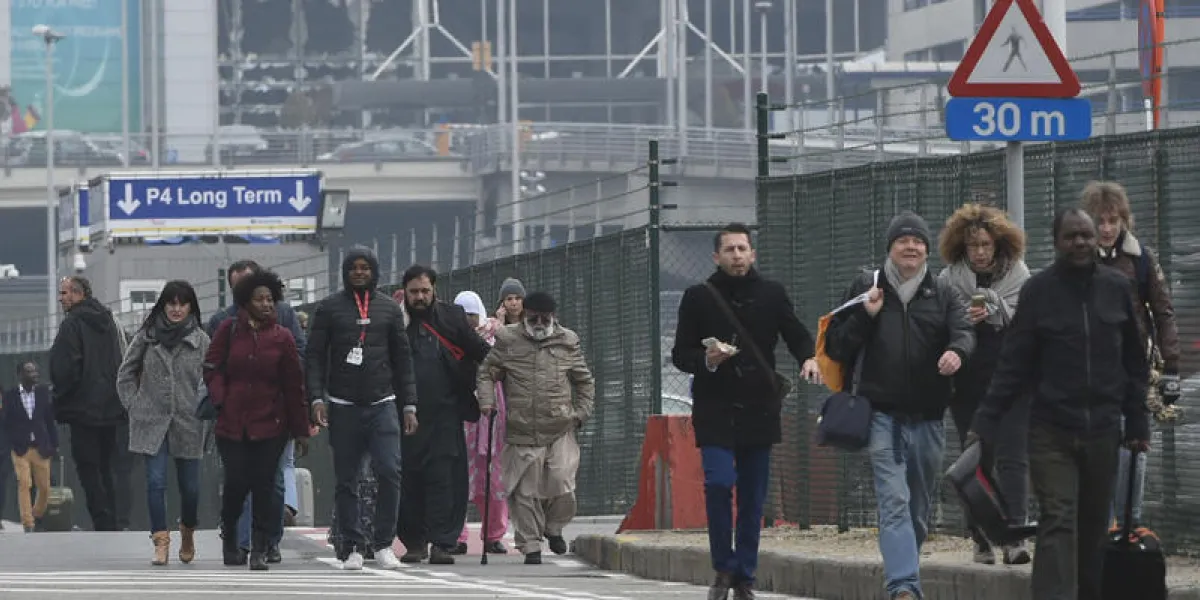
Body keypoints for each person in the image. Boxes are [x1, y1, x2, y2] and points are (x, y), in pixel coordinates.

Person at [970, 207, 1151, 600]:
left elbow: (1135, 362)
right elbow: (1013, 363)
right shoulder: (1039, 292)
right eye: (1072, 236)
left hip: (1104, 428)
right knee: (1058, 519)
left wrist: (1138, 423)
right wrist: (986, 420)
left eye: (1086, 235)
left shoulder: (1116, 288)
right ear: (1056, 242)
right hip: (1051, 429)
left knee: (1093, 525)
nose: (1081, 242)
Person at [824, 211, 975, 600]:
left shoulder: (943, 293)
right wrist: (866, 317)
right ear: (890, 247)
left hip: (928, 418)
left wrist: (957, 352)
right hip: (881, 416)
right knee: (894, 501)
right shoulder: (866, 288)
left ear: (927, 250)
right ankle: (903, 587)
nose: (912, 247)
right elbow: (837, 345)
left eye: (919, 241)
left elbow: (964, 332)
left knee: (918, 509)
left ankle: (906, 562)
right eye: (903, 241)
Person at [670, 222, 821, 600]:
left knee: (754, 498)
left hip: (759, 407)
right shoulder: (698, 296)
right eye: (730, 249)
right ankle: (723, 566)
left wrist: (808, 358)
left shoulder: (772, 293)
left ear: (752, 254)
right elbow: (679, 353)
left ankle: (746, 576)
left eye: (742, 249)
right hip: (715, 407)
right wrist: (707, 358)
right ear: (716, 256)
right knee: (719, 483)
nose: (737, 255)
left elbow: (797, 333)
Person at [307, 246, 418, 571]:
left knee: (390, 471)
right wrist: (316, 399)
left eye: (365, 267)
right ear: (345, 272)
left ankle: (383, 543)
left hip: (383, 404)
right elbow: (313, 357)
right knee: (347, 479)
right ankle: (352, 546)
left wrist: (409, 404)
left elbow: (403, 360)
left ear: (374, 272)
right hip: (343, 406)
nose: (359, 272)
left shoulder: (388, 309)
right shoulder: (329, 309)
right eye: (353, 267)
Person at [1079, 181, 1181, 530]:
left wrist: (1171, 367)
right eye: (1100, 221)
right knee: (1095, 451)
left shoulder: (1141, 260)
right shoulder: (1078, 261)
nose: (1106, 229)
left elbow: (1163, 312)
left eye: (1113, 221)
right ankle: (1102, 524)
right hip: (1088, 370)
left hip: (1134, 369)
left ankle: (1130, 524)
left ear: (1124, 221)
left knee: (1134, 448)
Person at [936, 204, 1032, 565]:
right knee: (974, 457)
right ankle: (980, 535)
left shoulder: (1019, 276)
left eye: (986, 244)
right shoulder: (949, 280)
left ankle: (1016, 536)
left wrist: (997, 313)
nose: (979, 252)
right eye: (972, 245)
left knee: (1013, 457)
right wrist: (965, 321)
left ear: (999, 245)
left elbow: (1027, 324)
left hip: (1011, 378)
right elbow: (942, 325)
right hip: (968, 379)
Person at [204, 269, 311, 571]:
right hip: (232, 424)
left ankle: (260, 548)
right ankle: (231, 542)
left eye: (270, 299)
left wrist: (300, 430)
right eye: (259, 299)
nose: (266, 304)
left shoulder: (283, 337)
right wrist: (220, 399)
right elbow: (211, 367)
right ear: (245, 302)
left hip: (271, 424)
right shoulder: (227, 330)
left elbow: (294, 385)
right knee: (237, 484)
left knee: (265, 485)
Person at [477, 291, 594, 565]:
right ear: (525, 315)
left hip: (560, 426)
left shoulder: (568, 341)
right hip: (523, 430)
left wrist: (581, 413)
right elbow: (487, 373)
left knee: (562, 484)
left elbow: (584, 381)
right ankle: (530, 545)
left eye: (545, 318)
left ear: (554, 317)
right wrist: (487, 402)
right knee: (525, 492)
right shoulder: (507, 339)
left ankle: (553, 528)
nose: (539, 323)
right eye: (534, 318)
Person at [396, 267, 491, 565]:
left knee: (444, 479)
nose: (420, 297)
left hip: (446, 414)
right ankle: (414, 542)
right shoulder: (394, 321)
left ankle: (442, 543)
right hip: (405, 417)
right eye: (414, 292)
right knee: (408, 480)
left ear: (434, 289)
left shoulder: (452, 317)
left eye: (425, 291)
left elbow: (482, 353)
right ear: (405, 292)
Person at [116, 280, 210, 565]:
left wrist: (203, 408)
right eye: (171, 303)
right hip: (151, 420)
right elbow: (125, 374)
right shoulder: (146, 336)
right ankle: (160, 540)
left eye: (183, 303)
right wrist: (134, 405)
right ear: (163, 305)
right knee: (155, 482)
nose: (177, 309)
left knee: (190, 488)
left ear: (191, 306)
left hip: (189, 421)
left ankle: (188, 531)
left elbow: (211, 380)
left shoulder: (202, 340)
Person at [49, 275, 126, 532]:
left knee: (88, 467)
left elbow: (65, 368)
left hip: (83, 410)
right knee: (107, 466)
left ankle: (102, 522)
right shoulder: (109, 321)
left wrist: (60, 397)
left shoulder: (72, 324)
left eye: (64, 293)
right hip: (111, 408)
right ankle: (114, 519)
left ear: (79, 294)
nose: (61, 299)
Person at [452, 290, 509, 555]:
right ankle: (456, 535)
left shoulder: (496, 336)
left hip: (491, 416)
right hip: (460, 415)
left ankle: (494, 534)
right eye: (462, 315)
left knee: (493, 479)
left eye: (472, 315)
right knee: (457, 477)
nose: (468, 321)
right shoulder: (447, 337)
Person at [2, 361, 57, 533]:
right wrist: (11, 441)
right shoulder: (10, 396)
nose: (34, 375)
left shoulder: (42, 394)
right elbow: (6, 422)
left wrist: (54, 443)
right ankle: (28, 522)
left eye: (35, 371)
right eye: (29, 372)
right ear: (20, 375)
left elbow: (49, 420)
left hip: (41, 446)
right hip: (20, 448)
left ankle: (36, 513)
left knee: (45, 487)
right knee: (24, 483)